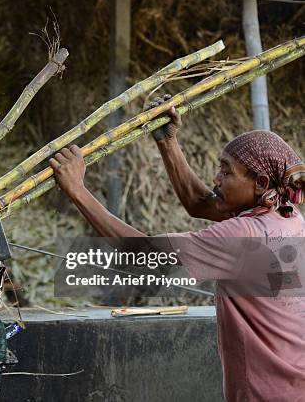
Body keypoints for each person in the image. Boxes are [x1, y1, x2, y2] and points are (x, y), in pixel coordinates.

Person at [49, 95, 305, 402]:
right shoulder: (286, 216)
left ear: (261, 183)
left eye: (226, 171)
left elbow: (146, 256)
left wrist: (77, 190)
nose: (217, 178)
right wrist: (167, 142)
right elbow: (199, 202)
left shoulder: (243, 236)